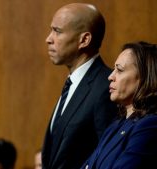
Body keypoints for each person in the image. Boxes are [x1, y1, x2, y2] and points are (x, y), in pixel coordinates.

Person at [81, 41, 157, 169]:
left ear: (146, 79)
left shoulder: (153, 126)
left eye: (119, 70)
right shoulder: (117, 124)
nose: (110, 76)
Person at [42, 3, 117, 169]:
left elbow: (107, 158)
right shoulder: (73, 83)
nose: (49, 39)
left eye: (58, 31)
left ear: (84, 40)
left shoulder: (107, 87)